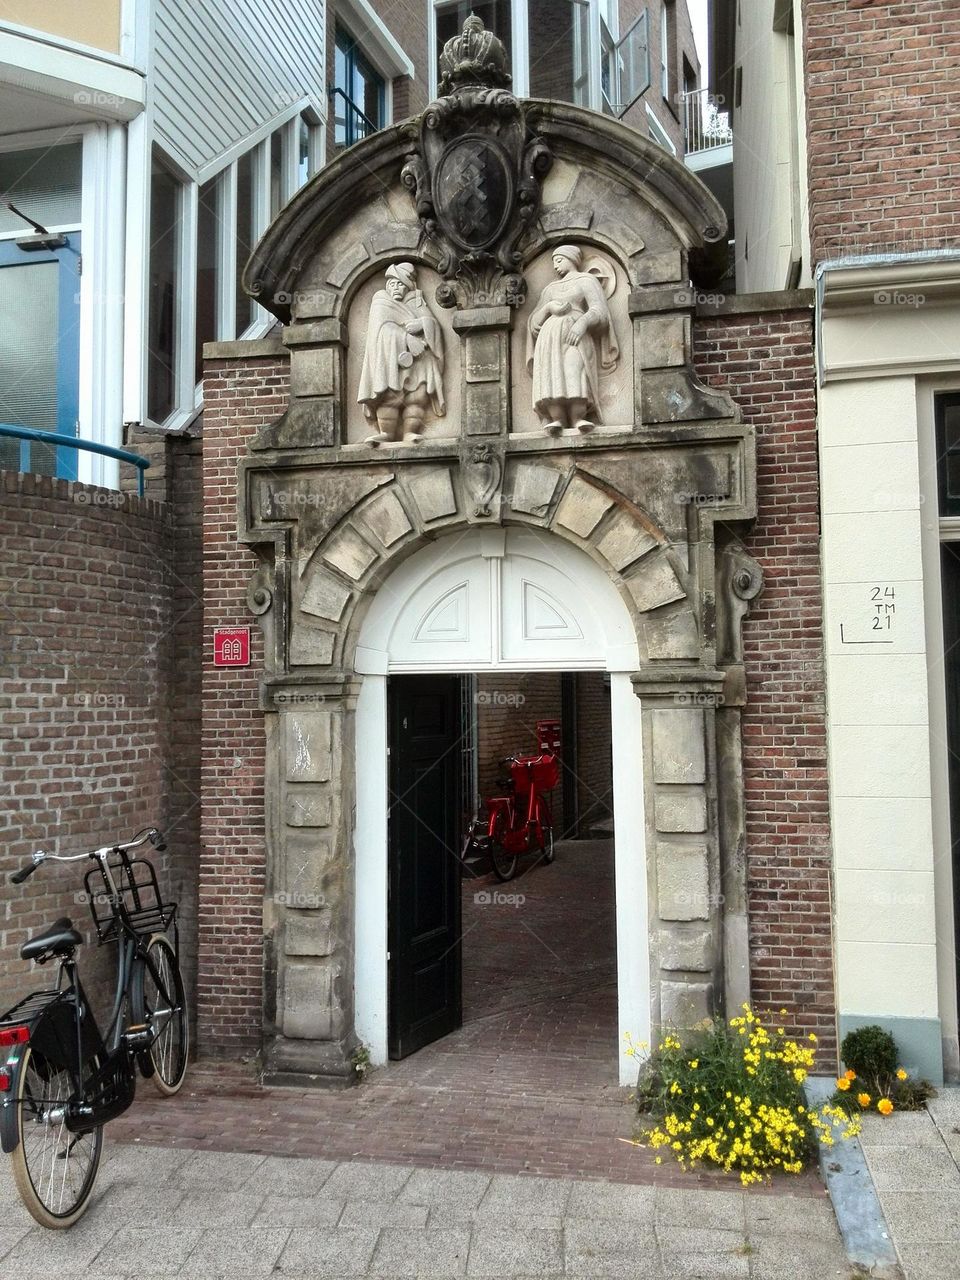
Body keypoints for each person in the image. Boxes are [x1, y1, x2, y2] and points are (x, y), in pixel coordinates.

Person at [526, 245, 619, 434]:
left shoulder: (586, 280)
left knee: (575, 370)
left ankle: (578, 418)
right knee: (552, 375)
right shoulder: (550, 289)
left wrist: (582, 323)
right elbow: (534, 322)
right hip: (549, 339)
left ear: (572, 259)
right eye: (553, 263)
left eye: (559, 260)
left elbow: (599, 311)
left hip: (575, 336)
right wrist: (548, 308)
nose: (555, 267)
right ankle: (557, 419)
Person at [358, 262, 445, 444]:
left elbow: (434, 325)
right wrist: (406, 339)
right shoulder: (381, 300)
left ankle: (410, 433)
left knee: (417, 397)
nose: (396, 287)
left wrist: (423, 324)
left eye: (400, 284)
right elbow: (380, 329)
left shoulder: (416, 300)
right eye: (392, 283)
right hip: (390, 362)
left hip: (419, 360)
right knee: (389, 398)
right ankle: (386, 434)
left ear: (407, 286)